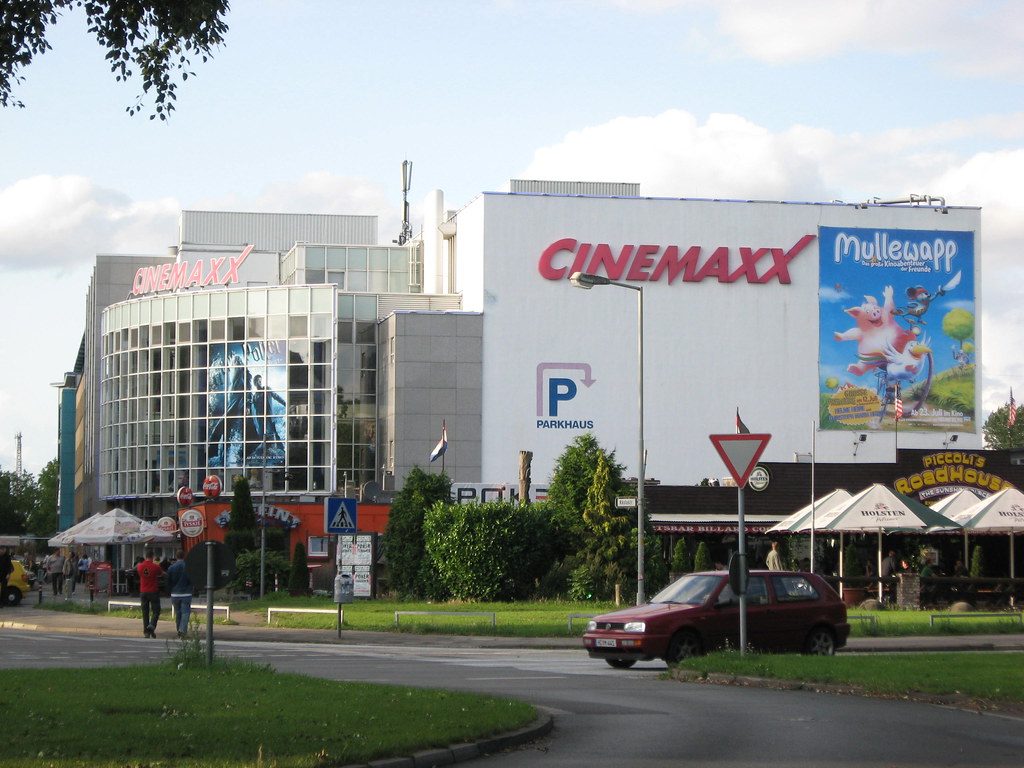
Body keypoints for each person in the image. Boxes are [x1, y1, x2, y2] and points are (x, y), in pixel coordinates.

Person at [136, 549, 164, 638]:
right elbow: (161, 573)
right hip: (153, 591)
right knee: (156, 611)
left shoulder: (140, 567)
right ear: (152, 557)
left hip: (143, 591)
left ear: (145, 556)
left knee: (145, 612)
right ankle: (151, 626)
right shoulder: (155, 566)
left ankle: (146, 632)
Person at [166, 550, 193, 638]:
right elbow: (191, 579)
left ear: (176, 557)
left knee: (178, 612)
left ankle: (178, 629)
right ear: (184, 556)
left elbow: (168, 581)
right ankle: (182, 630)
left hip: (175, 593)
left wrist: (170, 590)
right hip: (186, 593)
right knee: (185, 612)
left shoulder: (171, 568)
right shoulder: (188, 567)